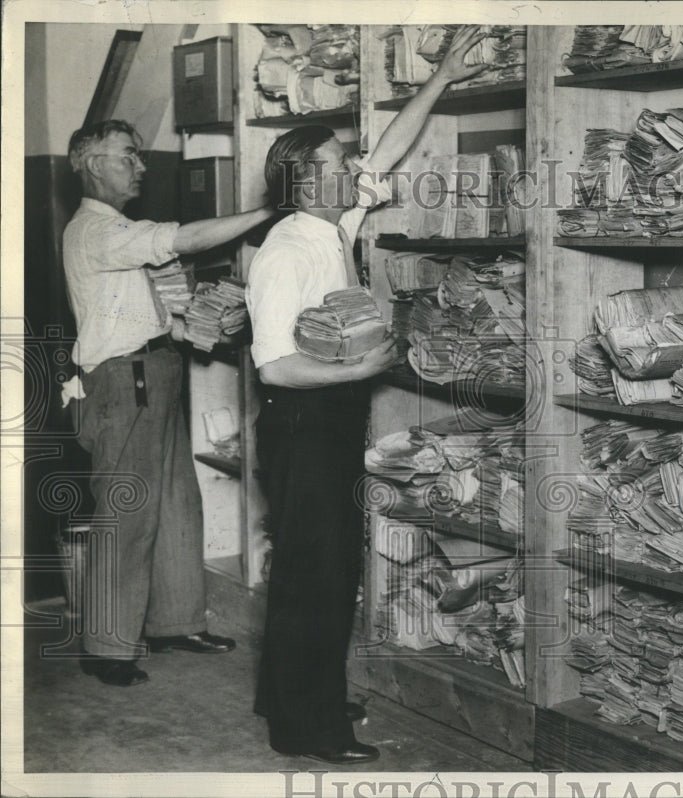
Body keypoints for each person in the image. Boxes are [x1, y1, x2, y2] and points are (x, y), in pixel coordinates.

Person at [246, 26, 488, 764]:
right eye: (339, 162)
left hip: (327, 421)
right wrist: (360, 371)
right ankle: (308, 728)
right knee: (317, 576)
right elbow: (274, 367)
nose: (356, 167)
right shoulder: (284, 250)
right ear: (306, 179)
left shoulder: (331, 223)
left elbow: (388, 151)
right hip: (301, 420)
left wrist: (443, 75)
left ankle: (290, 694)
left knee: (315, 568)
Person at [63, 119, 276, 687]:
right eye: (127, 155)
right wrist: (267, 213)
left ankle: (175, 621)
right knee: (126, 514)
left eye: (139, 155)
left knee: (179, 503)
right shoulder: (94, 231)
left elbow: (146, 310)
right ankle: (106, 648)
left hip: (156, 370)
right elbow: (180, 238)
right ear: (90, 163)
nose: (140, 165)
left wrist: (206, 325)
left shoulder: (119, 227)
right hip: (122, 381)